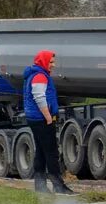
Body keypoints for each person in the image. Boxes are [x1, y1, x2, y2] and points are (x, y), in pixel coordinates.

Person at [21, 49, 74, 195]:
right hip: (41, 119)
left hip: (35, 118)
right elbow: (39, 97)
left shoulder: (35, 74)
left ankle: (41, 187)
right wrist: (48, 117)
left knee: (41, 152)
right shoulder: (40, 76)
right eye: (51, 62)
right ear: (43, 61)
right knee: (51, 153)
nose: (53, 65)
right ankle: (59, 186)